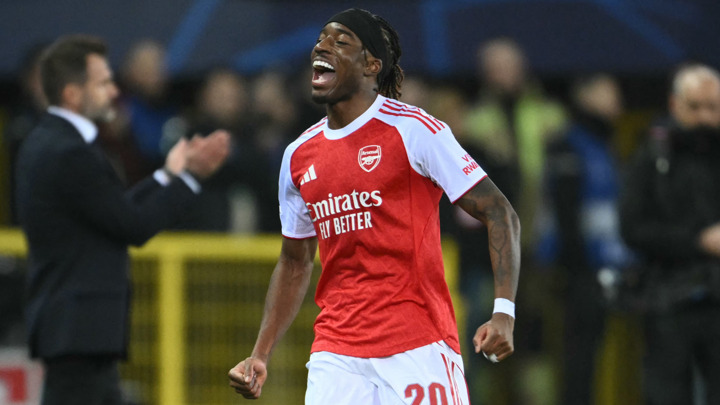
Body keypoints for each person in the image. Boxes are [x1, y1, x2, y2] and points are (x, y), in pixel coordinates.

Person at [228, 8, 521, 404]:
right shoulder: (298, 156)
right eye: (320, 40)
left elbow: (499, 211)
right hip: (336, 354)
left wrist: (503, 311)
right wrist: (260, 353)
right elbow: (295, 261)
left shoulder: (414, 130)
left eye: (340, 42)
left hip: (417, 345)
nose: (321, 47)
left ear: (371, 65)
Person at [14, 35, 230, 405]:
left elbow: (112, 211)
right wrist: (191, 179)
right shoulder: (68, 152)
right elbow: (132, 225)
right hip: (78, 330)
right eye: (102, 83)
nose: (114, 92)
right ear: (72, 94)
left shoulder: (52, 143)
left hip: (76, 330)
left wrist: (168, 175)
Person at [620, 64, 720, 405]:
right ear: (675, 104)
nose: (704, 117)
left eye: (713, 107)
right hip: (667, 297)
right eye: (695, 107)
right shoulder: (652, 156)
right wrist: (697, 241)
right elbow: (632, 228)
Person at [541, 73, 635, 405]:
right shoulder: (569, 144)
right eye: (608, 92)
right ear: (585, 96)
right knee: (577, 352)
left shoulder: (604, 143)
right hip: (578, 268)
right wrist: (576, 270)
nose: (617, 101)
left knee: (595, 351)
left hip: (604, 265)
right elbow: (566, 214)